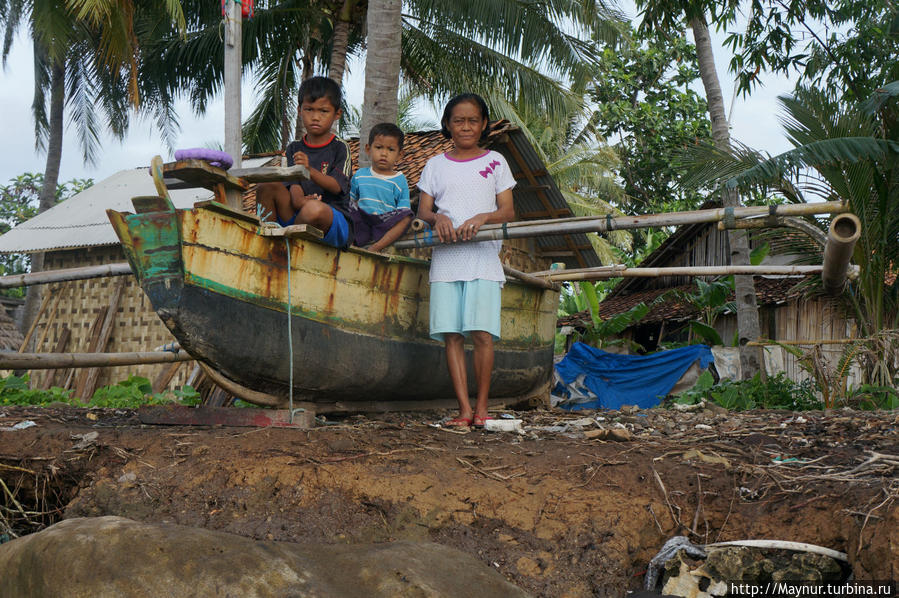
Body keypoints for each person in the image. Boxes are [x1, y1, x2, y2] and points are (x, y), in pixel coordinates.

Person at [416, 93, 515, 428]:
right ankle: (463, 409)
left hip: (484, 259)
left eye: (473, 120)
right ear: (448, 124)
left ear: (484, 124)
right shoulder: (434, 165)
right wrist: (437, 220)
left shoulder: (496, 162)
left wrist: (483, 217)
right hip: (445, 261)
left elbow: (507, 211)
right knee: (452, 336)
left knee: (482, 334)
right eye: (459, 120)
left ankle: (482, 407)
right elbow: (424, 210)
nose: (466, 126)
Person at [255, 76, 353, 248]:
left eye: (323, 111)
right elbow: (293, 183)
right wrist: (300, 201)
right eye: (309, 110)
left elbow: (337, 186)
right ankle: (267, 241)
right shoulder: (294, 148)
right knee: (267, 185)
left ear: (337, 114)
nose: (315, 117)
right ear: (300, 110)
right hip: (299, 212)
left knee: (314, 209)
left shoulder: (340, 147)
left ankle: (286, 247)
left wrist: (309, 170)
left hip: (332, 219)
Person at [349, 123, 413, 252]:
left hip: (385, 221)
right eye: (378, 147)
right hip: (363, 220)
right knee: (345, 206)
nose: (384, 153)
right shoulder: (360, 175)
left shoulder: (400, 180)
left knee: (407, 216)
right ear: (368, 149)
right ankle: (349, 242)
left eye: (390, 149)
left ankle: (376, 247)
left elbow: (403, 209)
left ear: (400, 155)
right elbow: (350, 201)